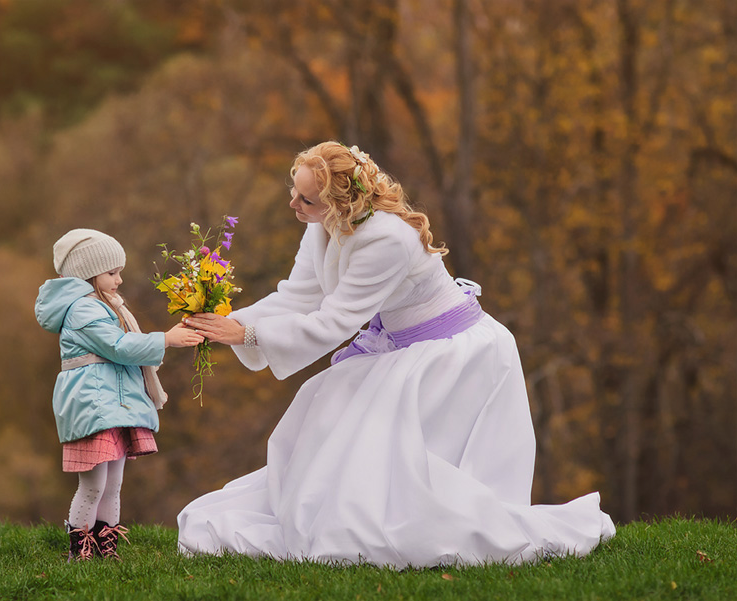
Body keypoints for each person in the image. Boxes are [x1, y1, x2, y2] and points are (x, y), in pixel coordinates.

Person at [177, 141, 615, 568]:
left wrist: (247, 336)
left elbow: (335, 322)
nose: (293, 204)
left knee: (393, 456)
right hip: (402, 344)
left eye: (305, 199)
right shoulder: (321, 225)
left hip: (450, 355)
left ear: (340, 202)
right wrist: (220, 322)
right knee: (331, 414)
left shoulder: (386, 239)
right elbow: (298, 295)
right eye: (293, 191)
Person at [35, 228, 203, 562]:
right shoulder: (83, 311)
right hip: (94, 407)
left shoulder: (108, 306)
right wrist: (165, 340)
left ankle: (104, 546)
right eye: (112, 273)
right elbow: (119, 347)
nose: (120, 280)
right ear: (89, 275)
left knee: (113, 483)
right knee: (94, 483)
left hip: (114, 405)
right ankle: (79, 549)